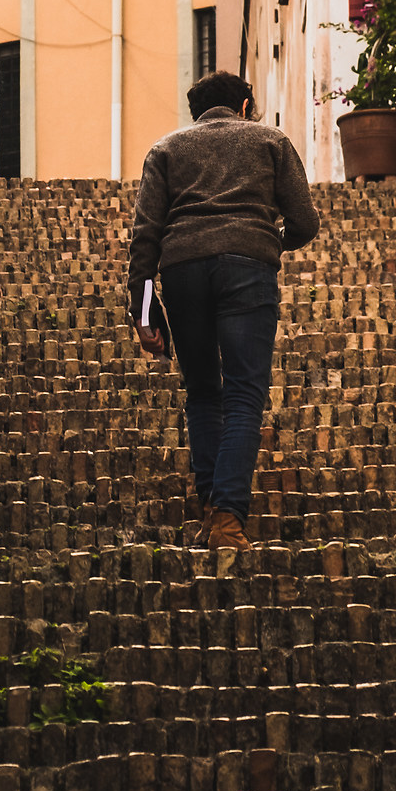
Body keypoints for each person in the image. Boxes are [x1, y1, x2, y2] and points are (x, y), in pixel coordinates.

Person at [128, 70, 319, 551]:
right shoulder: (270, 140)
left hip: (183, 271)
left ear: (195, 113)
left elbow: (145, 238)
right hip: (247, 268)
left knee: (202, 391)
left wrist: (144, 312)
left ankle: (212, 509)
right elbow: (304, 220)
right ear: (247, 104)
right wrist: (270, 239)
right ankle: (228, 517)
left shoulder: (166, 150)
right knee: (243, 394)